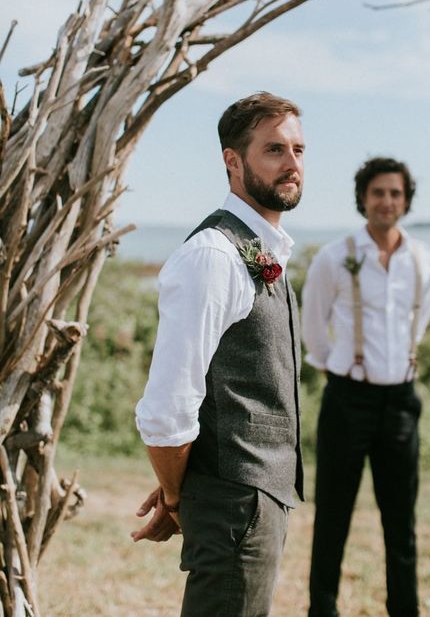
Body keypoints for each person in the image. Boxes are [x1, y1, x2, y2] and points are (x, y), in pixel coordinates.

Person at [132, 92, 305, 617]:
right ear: (233, 161)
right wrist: (177, 495)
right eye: (274, 149)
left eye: (299, 149)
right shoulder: (213, 255)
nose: (293, 163)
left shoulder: (260, 249)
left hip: (250, 498)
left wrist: (189, 485)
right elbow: (167, 409)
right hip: (237, 502)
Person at [302, 157, 430, 617]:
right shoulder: (334, 256)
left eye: (395, 193)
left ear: (406, 200)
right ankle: (322, 611)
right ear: (363, 198)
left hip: (401, 401)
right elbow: (313, 328)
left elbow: (419, 321)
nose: (387, 201)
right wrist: (337, 369)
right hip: (347, 398)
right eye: (378, 192)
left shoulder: (424, 260)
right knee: (333, 518)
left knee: (401, 521)